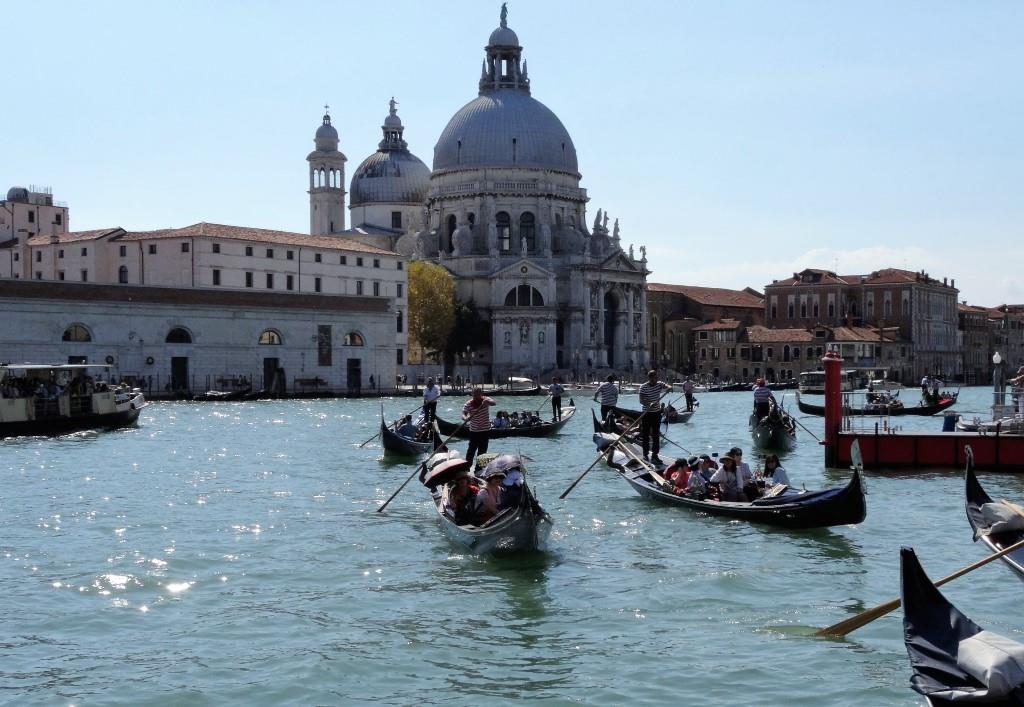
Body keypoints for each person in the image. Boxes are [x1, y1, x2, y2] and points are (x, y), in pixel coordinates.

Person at [638, 369, 671, 464]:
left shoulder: (659, 384)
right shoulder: (643, 387)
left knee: (656, 435)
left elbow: (667, 385)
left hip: (656, 413)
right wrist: (649, 403)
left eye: (657, 377)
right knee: (646, 434)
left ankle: (655, 455)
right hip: (646, 413)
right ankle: (645, 454)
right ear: (650, 378)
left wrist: (669, 387)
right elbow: (641, 400)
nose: (657, 379)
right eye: (655, 378)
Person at [461, 387, 496, 465]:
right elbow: (463, 414)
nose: (476, 397)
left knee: (482, 452)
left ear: (481, 394)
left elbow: (494, 403)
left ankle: (479, 469)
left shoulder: (485, 400)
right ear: (472, 395)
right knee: (471, 450)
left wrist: (488, 401)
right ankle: (467, 467)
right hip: (474, 431)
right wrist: (466, 418)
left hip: (485, 431)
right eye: (474, 395)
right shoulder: (468, 404)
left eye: (477, 395)